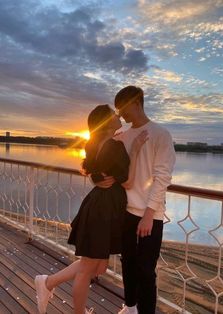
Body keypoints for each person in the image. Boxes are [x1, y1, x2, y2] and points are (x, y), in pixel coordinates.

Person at [34, 104, 148, 314]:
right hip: (105, 209)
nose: (118, 116)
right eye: (113, 115)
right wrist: (137, 149)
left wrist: (98, 177)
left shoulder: (94, 143)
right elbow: (128, 182)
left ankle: (47, 282)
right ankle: (64, 299)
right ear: (105, 123)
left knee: (95, 266)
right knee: (88, 268)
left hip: (99, 205)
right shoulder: (114, 146)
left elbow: (99, 170)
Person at [95, 86, 176, 314]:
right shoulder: (121, 136)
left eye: (123, 107)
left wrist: (149, 214)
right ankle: (130, 308)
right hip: (125, 211)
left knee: (146, 271)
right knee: (128, 263)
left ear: (137, 103)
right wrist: (96, 179)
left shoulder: (161, 134)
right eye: (117, 110)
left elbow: (162, 178)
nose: (120, 114)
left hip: (151, 215)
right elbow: (96, 159)